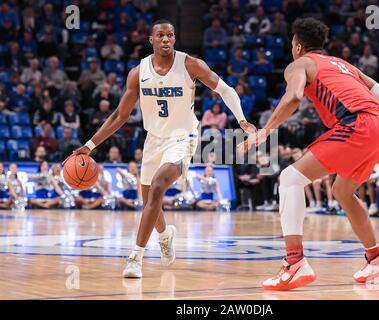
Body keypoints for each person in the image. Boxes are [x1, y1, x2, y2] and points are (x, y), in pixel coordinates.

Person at [67, 19, 255, 279]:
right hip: (154, 139)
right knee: (149, 202)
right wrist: (89, 146)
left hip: (183, 137)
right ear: (151, 40)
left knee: (157, 187)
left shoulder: (191, 64)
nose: (166, 39)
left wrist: (242, 120)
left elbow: (226, 90)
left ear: (174, 39)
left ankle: (135, 257)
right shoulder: (138, 72)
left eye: (170, 35)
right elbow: (119, 116)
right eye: (160, 35)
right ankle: (165, 235)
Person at [241, 18, 379, 290]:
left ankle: (294, 263)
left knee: (289, 179)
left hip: (358, 125)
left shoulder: (300, 64)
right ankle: (376, 257)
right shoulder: (345, 65)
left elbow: (294, 97)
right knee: (342, 190)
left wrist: (266, 130)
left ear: (297, 46)